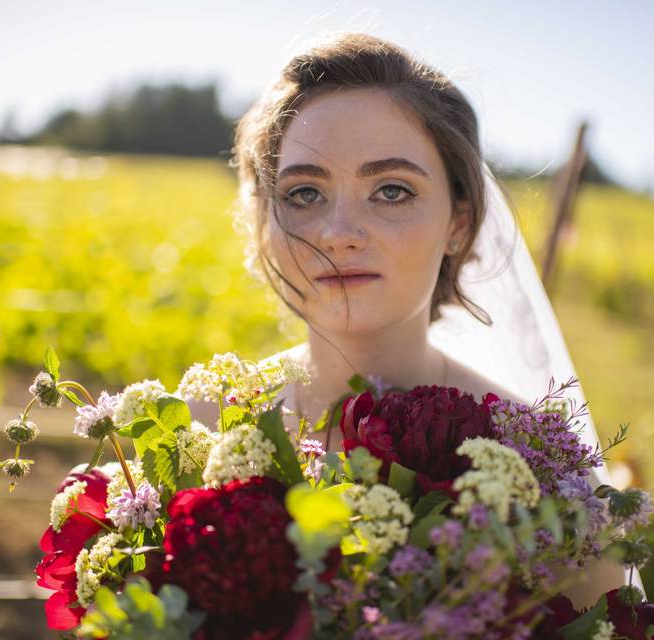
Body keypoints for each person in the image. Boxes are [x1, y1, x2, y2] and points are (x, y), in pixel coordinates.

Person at [185, 31, 626, 607]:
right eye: (303, 193)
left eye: (391, 191)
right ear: (263, 220)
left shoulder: (543, 466)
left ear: (459, 223)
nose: (339, 233)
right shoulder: (197, 429)